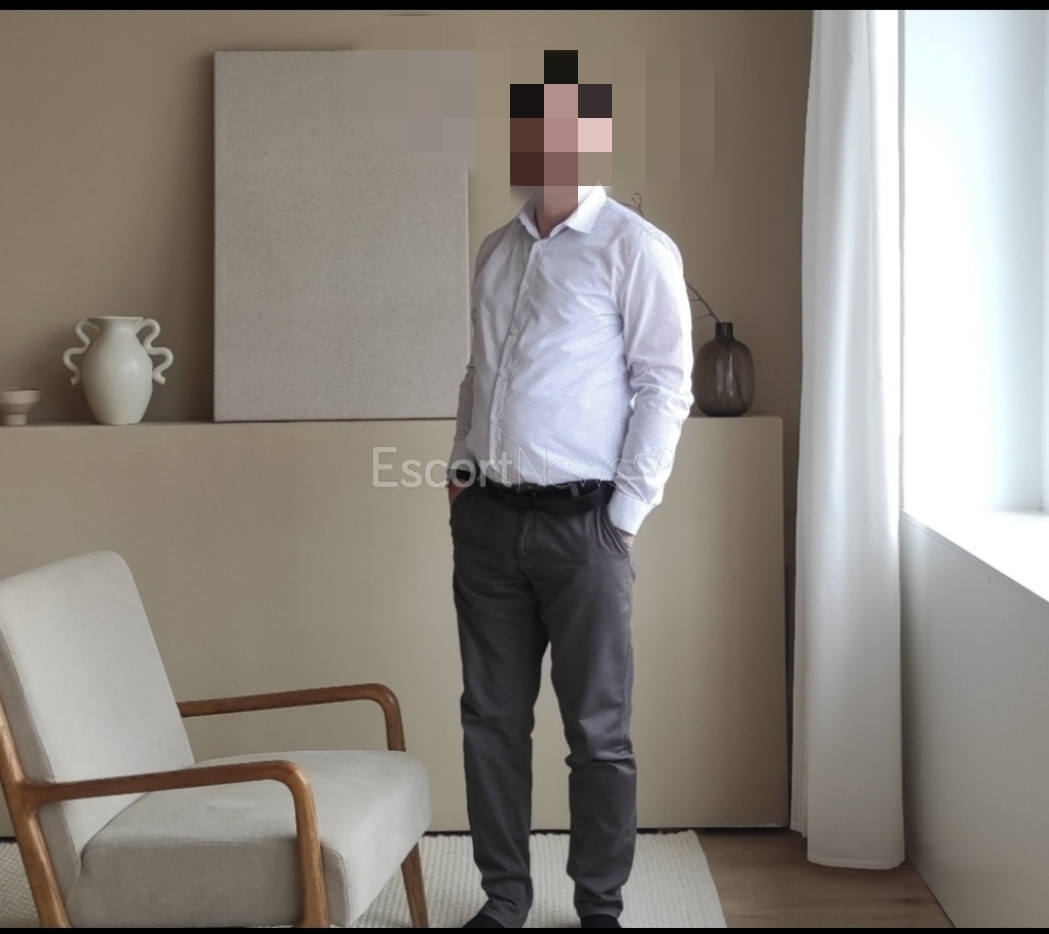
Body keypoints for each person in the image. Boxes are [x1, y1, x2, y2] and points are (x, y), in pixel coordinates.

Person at [446, 50, 693, 930]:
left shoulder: (634, 247)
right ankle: (503, 900)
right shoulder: (496, 249)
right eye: (533, 126)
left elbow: (665, 384)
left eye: (566, 127)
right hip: (488, 523)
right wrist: (460, 471)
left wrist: (623, 515)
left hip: (585, 528)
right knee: (489, 722)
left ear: (593, 137)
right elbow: (479, 373)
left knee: (597, 732)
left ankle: (598, 907)